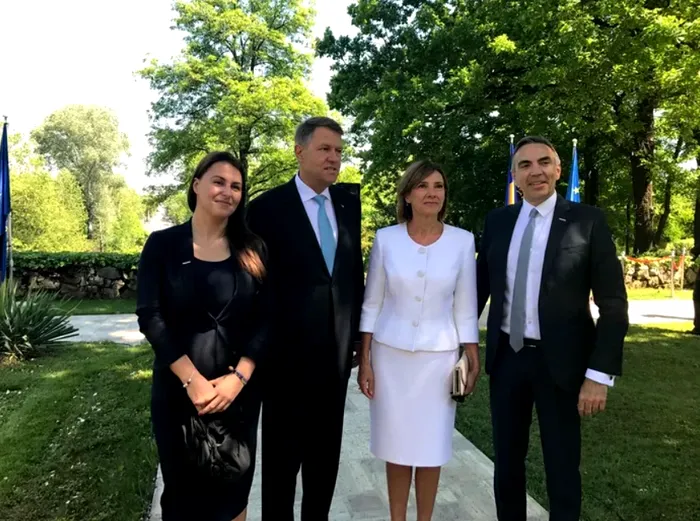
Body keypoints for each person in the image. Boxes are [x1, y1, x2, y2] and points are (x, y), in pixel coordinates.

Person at [476, 136, 629, 521]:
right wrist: (458, 347)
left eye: (544, 162)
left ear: (558, 170)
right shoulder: (498, 222)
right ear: (515, 175)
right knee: (507, 465)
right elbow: (477, 291)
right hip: (507, 360)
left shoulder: (587, 221)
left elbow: (613, 303)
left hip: (561, 365)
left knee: (562, 466)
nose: (536, 171)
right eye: (525, 165)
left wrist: (598, 375)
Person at [136, 151, 269, 521]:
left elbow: (267, 318)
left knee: (233, 496)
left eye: (236, 186)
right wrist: (191, 381)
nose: (228, 191)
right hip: (179, 395)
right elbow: (150, 316)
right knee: (184, 499)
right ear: (196, 185)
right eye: (218, 182)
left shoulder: (253, 248)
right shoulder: (163, 245)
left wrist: (239, 377)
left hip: (237, 396)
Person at [246, 116, 365, 521]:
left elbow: (352, 274)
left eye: (339, 151)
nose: (334, 158)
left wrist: (356, 339)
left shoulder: (348, 204)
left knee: (324, 464)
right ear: (299, 151)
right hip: (284, 362)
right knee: (281, 467)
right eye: (325, 149)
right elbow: (253, 286)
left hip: (335, 362)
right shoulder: (266, 209)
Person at [357, 160, 481, 521]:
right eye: (423, 186)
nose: (431, 193)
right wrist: (364, 360)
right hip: (390, 358)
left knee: (431, 448)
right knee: (396, 447)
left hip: (438, 361)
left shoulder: (462, 241)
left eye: (438, 186)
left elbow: (466, 306)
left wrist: (472, 355)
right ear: (407, 195)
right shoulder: (386, 239)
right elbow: (372, 303)